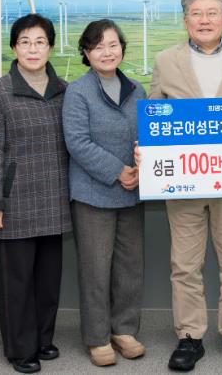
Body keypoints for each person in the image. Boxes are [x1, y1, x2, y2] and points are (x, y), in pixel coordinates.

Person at [148, 0, 222, 372]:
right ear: (185, 20)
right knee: (184, 264)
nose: (205, 20)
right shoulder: (165, 60)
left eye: (212, 13)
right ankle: (189, 336)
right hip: (184, 183)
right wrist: (146, 151)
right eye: (196, 13)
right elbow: (154, 116)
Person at [0, 14, 71, 374]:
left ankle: (43, 339)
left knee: (48, 281)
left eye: (40, 42)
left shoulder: (64, 90)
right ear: (14, 47)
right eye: (25, 42)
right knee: (16, 282)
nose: (33, 49)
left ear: (51, 47)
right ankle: (20, 348)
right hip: (15, 202)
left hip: (55, 200)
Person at [62, 19, 147, 367]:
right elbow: (77, 142)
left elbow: (148, 135)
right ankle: (97, 337)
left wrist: (140, 168)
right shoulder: (78, 91)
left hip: (132, 192)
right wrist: (117, 171)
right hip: (93, 194)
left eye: (113, 45)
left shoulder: (137, 90)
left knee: (130, 266)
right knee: (96, 269)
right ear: (86, 52)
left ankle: (124, 330)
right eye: (98, 47)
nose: (107, 52)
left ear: (122, 49)